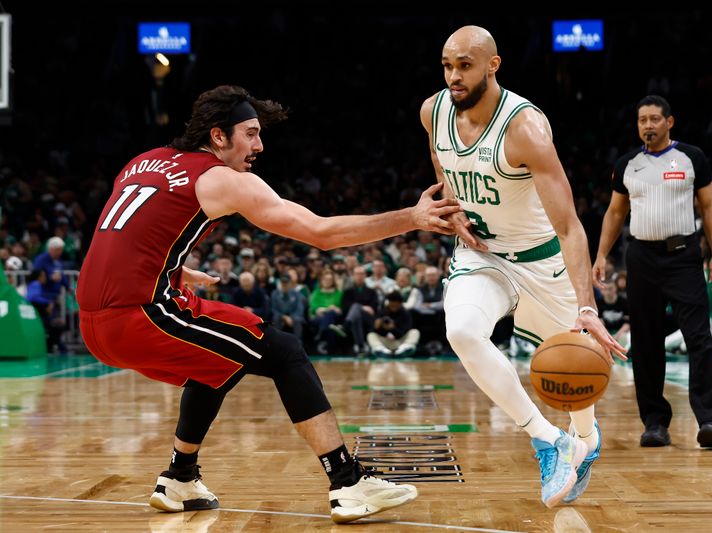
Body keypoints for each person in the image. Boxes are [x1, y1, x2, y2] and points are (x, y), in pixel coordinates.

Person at [77, 85, 467, 523]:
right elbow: (322, 233)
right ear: (219, 136)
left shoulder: (141, 161)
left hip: (93, 322)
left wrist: (176, 269)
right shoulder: (221, 179)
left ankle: (180, 478)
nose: (259, 145)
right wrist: (410, 219)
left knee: (219, 356)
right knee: (283, 352)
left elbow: (123, 232)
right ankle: (347, 482)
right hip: (141, 315)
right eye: (250, 133)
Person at [420, 26, 626, 508]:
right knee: (463, 331)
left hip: (539, 259)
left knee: (575, 377)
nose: (454, 75)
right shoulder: (433, 111)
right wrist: (453, 207)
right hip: (483, 253)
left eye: (465, 65)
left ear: (493, 65)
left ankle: (585, 438)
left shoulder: (525, 128)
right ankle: (546, 439)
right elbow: (439, 157)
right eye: (447, 65)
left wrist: (587, 307)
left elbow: (572, 227)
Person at [593, 95, 712, 449]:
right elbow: (616, 213)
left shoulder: (692, 157)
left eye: (654, 119)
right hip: (641, 260)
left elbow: (709, 206)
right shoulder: (627, 164)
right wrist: (602, 254)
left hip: (683, 257)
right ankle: (654, 423)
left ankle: (709, 419)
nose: (648, 125)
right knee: (647, 343)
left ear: (670, 122)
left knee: (699, 337)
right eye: (642, 120)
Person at [366, 290, 420, 357]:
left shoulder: (405, 314)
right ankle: (380, 350)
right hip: (385, 343)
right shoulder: (382, 312)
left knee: (414, 332)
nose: (393, 306)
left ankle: (405, 349)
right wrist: (376, 327)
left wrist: (392, 328)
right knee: (371, 334)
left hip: (400, 342)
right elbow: (374, 330)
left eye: (396, 304)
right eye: (392, 303)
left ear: (400, 304)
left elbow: (403, 332)